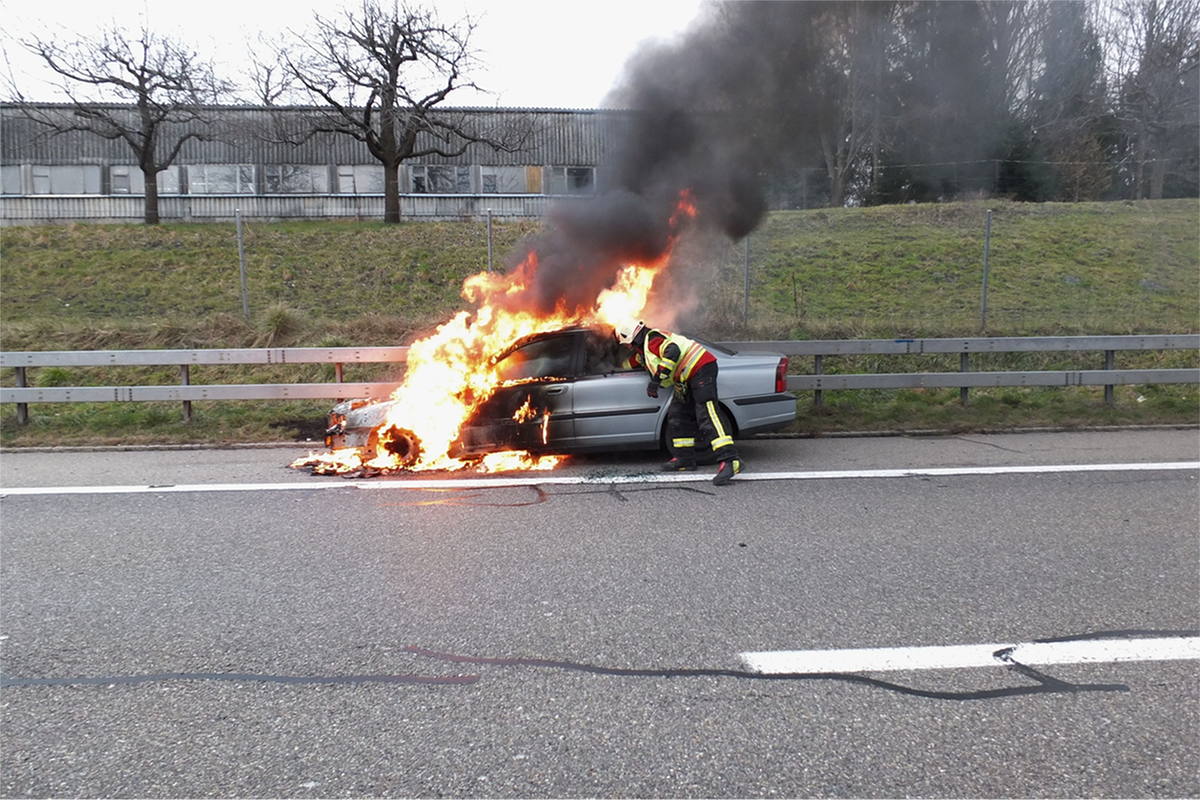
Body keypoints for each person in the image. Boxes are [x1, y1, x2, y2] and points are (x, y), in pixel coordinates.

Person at [614, 319, 744, 486]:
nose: (627, 347)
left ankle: (730, 460)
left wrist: (656, 380)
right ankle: (685, 459)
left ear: (631, 337)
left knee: (707, 414)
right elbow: (632, 362)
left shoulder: (653, 339)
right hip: (685, 378)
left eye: (626, 344)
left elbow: (673, 352)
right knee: (678, 414)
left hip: (700, 369)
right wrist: (611, 365)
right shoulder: (645, 349)